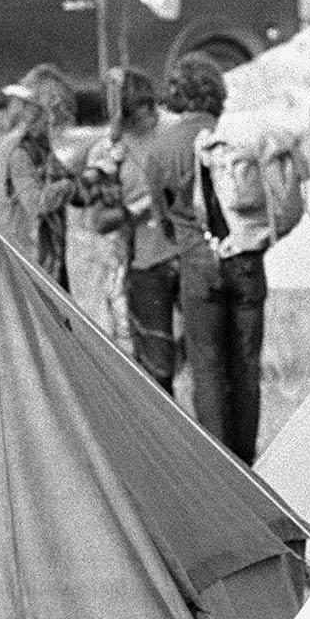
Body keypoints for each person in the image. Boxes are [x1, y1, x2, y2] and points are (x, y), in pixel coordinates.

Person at [172, 57, 268, 462]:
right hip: (245, 263)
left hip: (197, 267)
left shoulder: (166, 145)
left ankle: (218, 463)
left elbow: (164, 216)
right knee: (246, 367)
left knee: (208, 368)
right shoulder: (231, 139)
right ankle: (247, 461)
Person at [82, 69, 180, 390]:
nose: (147, 118)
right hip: (144, 265)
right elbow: (99, 221)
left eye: (149, 107)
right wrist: (139, 209)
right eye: (137, 112)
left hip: (186, 256)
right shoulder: (108, 152)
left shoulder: (174, 132)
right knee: (156, 366)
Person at [0, 65, 79, 288]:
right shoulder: (20, 152)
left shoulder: (40, 147)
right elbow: (35, 204)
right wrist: (66, 186)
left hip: (45, 255)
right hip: (28, 261)